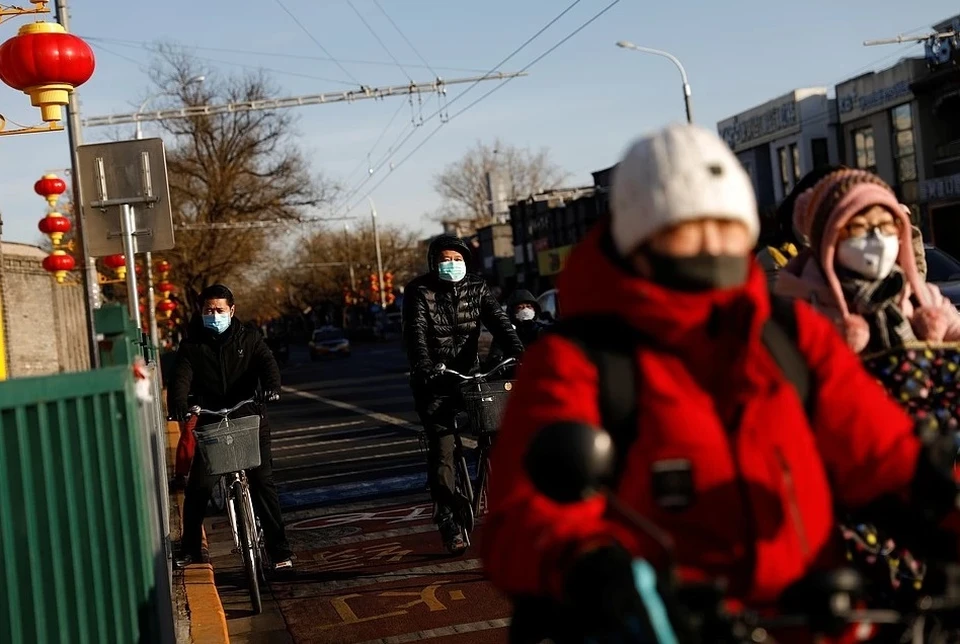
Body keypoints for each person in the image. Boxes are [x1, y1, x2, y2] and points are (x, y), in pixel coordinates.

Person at [481, 123, 960, 642]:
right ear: (640, 236)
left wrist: (941, 503)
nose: (713, 244)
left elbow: (883, 453)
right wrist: (598, 575)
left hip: (811, 621)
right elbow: (522, 521)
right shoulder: (577, 362)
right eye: (690, 227)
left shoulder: (792, 337)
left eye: (728, 225)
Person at [403, 235, 524, 553]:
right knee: (442, 453)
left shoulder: (477, 286)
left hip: (471, 376)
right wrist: (425, 365)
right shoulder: (418, 291)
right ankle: (448, 521)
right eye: (446, 259)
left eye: (458, 259)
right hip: (434, 381)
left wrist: (520, 352)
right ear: (434, 263)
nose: (452, 265)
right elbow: (414, 333)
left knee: (498, 439)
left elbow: (499, 321)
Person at [169, 284, 294, 570]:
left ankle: (280, 553)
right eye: (208, 311)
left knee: (263, 482)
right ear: (200, 312)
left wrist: (272, 387)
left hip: (249, 417)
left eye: (219, 310)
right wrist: (179, 403)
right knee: (199, 487)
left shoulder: (249, 338)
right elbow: (181, 378)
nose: (214, 315)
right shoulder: (191, 346)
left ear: (232, 310)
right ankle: (190, 549)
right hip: (212, 420)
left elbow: (267, 364)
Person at [774, 168, 960, 354]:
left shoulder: (923, 298)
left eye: (887, 226)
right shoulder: (797, 309)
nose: (878, 240)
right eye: (859, 228)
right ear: (827, 235)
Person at [484, 289, 548, 371]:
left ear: (535, 310)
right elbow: (494, 359)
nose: (525, 310)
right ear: (512, 312)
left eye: (529, 307)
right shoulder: (505, 333)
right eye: (520, 308)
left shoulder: (540, 330)